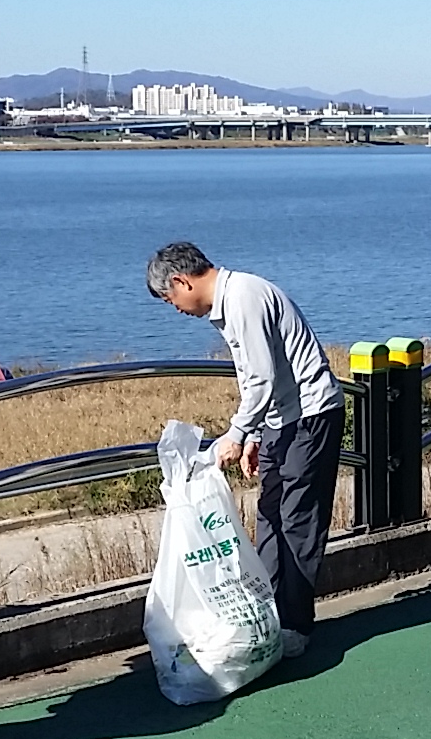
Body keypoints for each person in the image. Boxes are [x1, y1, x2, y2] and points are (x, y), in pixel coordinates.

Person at [146, 242, 344, 658]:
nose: (176, 309)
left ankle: (295, 625)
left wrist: (237, 434)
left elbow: (260, 377)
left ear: (183, 281)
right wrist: (254, 436)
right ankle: (268, 614)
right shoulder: (235, 299)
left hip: (308, 416)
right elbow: (262, 376)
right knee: (270, 515)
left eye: (171, 298)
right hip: (281, 420)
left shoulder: (243, 299)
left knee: (297, 521)